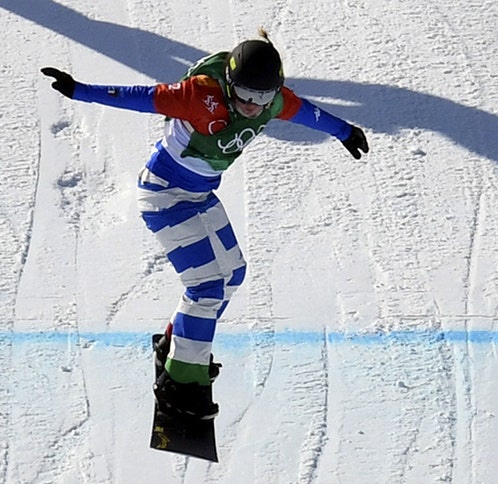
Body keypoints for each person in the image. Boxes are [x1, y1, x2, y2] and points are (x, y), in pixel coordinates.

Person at [40, 32, 368, 418]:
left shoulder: (275, 102)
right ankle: (180, 385)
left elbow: (309, 114)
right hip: (164, 196)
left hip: (198, 195)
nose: (252, 106)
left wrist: (345, 132)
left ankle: (178, 347)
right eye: (244, 95)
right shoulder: (198, 96)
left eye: (262, 97)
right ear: (229, 84)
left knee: (232, 274)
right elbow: (139, 97)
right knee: (206, 285)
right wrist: (79, 90)